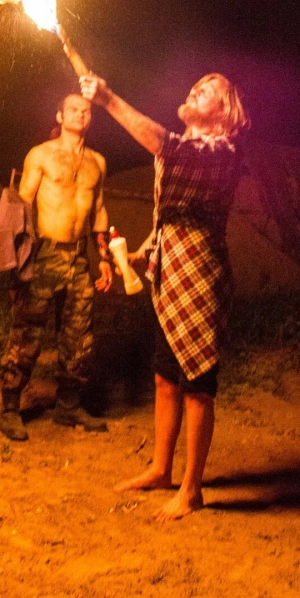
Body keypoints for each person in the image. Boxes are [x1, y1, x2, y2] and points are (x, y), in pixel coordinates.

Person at [80, 70, 248, 520]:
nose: (194, 89)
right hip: (168, 274)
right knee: (164, 378)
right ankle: (161, 469)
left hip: (200, 280)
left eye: (207, 90)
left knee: (197, 388)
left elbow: (165, 146)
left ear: (224, 113)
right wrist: (142, 251)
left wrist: (108, 99)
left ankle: (191, 489)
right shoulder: (182, 150)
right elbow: (171, 213)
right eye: (194, 85)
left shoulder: (222, 152)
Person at [0, 94, 113, 441]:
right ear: (60, 116)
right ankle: (10, 408)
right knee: (27, 332)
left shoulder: (97, 162)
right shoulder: (41, 154)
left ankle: (68, 405)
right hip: (45, 253)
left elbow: (99, 210)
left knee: (79, 335)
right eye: (73, 109)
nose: (80, 114)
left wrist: (104, 257)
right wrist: (17, 258)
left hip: (79, 257)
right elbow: (22, 205)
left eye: (86, 110)